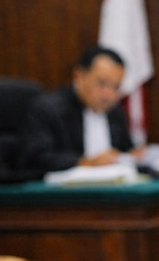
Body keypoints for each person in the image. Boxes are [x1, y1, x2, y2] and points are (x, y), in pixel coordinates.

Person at [21, 45, 139, 174]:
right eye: (102, 83)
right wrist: (85, 162)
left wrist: (136, 155)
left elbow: (125, 151)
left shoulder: (115, 113)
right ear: (79, 76)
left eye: (116, 87)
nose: (109, 95)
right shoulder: (48, 108)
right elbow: (35, 158)